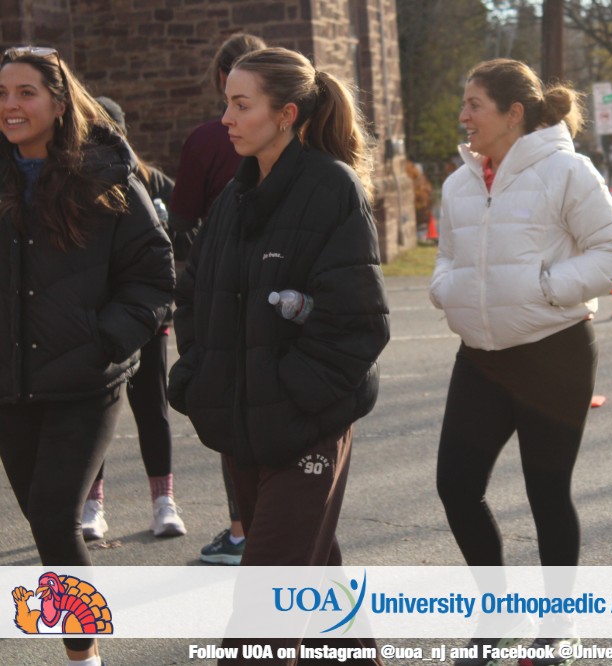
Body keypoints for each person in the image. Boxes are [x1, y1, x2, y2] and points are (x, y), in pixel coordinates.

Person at [168, 46, 389, 666]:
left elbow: (357, 322)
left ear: (286, 114)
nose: (226, 119)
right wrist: (201, 377)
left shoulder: (331, 189)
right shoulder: (233, 197)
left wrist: (294, 395)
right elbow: (193, 295)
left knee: (261, 613)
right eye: (226, 104)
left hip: (306, 427)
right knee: (317, 588)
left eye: (242, 105)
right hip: (244, 431)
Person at [430, 58, 612, 666]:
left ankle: (558, 625)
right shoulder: (459, 184)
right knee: (456, 486)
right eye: (465, 104)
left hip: (554, 353)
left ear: (513, 113)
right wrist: (447, 291)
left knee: (547, 491)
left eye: (475, 105)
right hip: (481, 357)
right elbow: (446, 258)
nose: (464, 116)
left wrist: (546, 288)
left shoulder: (567, 170)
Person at [0, 45, 173, 666]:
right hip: (11, 383)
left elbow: (153, 275)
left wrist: (104, 342)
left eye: (25, 92)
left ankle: (84, 656)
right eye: (2, 94)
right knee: (45, 522)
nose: (11, 105)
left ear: (58, 102)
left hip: (85, 380)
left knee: (54, 517)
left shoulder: (105, 173)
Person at [169, 32, 266, 565]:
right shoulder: (300, 140)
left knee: (236, 411)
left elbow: (181, 218)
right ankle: (264, 527)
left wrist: (201, 259)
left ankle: (243, 530)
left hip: (229, 292)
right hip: (278, 288)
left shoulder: (210, 139)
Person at [77, 96, 186, 541]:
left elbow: (189, 234)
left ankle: (164, 502)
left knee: (151, 407)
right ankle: (92, 504)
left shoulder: (152, 181)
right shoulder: (76, 184)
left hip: (146, 317)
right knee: (92, 412)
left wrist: (170, 229)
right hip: (96, 316)